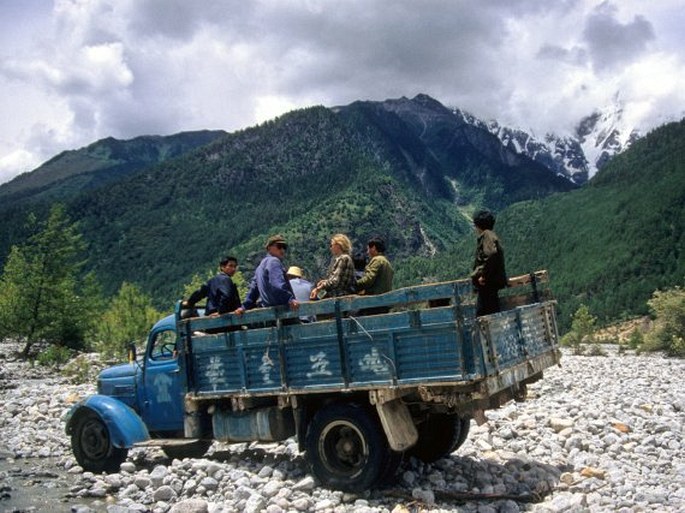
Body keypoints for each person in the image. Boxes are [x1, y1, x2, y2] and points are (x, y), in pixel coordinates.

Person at [234, 234, 299, 317]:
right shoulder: (274, 261)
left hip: (269, 315)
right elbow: (277, 284)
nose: (282, 250)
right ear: (269, 248)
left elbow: (253, 291)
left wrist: (244, 307)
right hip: (283, 312)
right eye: (279, 246)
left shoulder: (259, 267)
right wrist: (290, 299)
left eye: (284, 247)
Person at [471, 210, 507, 316]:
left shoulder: (487, 235)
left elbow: (491, 253)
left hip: (487, 286)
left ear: (478, 225)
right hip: (491, 286)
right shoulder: (491, 235)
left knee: (482, 316)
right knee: (491, 315)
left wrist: (484, 275)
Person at [355, 236, 394, 315]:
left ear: (373, 248)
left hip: (374, 302)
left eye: (368, 249)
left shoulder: (377, 260)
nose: (367, 252)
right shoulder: (387, 262)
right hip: (384, 302)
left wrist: (354, 284)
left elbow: (368, 280)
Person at [310, 234, 356, 299]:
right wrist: (324, 282)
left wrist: (319, 288)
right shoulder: (343, 258)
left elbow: (335, 282)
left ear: (338, 245)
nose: (330, 248)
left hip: (339, 296)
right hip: (339, 295)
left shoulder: (343, 258)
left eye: (331, 245)